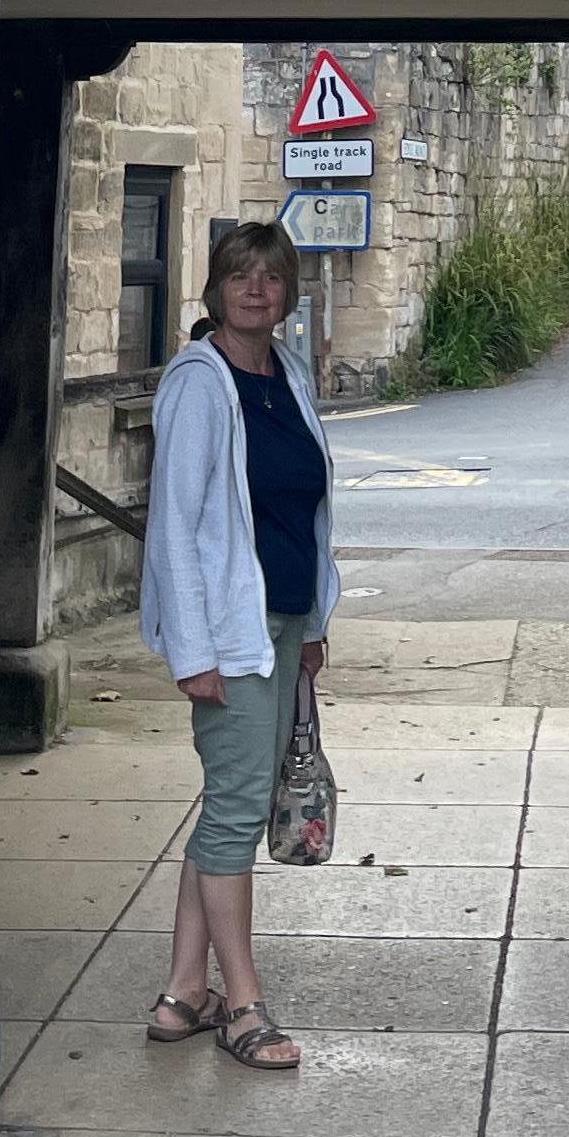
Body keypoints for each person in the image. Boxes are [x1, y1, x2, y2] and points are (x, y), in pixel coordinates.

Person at [137, 218, 336, 1071]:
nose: (256, 288)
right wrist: (193, 651)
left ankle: (185, 992)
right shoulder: (198, 381)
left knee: (230, 800)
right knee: (233, 811)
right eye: (239, 275)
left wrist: (317, 622)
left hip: (284, 620)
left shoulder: (287, 374)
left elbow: (309, 507)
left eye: (272, 276)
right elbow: (174, 529)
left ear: (289, 292)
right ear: (216, 288)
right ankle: (246, 1007)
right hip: (228, 633)